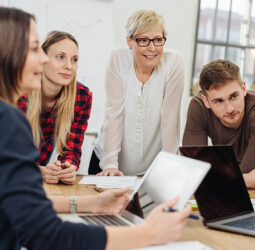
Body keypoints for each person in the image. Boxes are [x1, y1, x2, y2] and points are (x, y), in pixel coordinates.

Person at [0, 7, 191, 249]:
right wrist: (149, 234)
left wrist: (89, 204)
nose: (44, 59)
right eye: (34, 48)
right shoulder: (8, 120)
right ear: (7, 53)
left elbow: (22, 204)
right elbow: (42, 232)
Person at [89, 9, 184, 176]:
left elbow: (170, 119)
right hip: (107, 162)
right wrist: (111, 164)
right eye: (143, 40)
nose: (152, 48)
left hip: (150, 168)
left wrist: (169, 166)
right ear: (129, 41)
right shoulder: (117, 59)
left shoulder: (173, 62)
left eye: (158, 40)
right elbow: (114, 113)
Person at [183, 59, 255, 188]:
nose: (230, 109)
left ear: (244, 89)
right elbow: (192, 167)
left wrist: (239, 178)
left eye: (234, 96)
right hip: (228, 163)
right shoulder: (198, 106)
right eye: (218, 101)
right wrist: (246, 180)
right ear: (206, 101)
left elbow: (248, 170)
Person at [18, 30, 91, 185]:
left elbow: (72, 148)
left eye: (74, 59)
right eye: (60, 57)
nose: (69, 66)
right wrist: (38, 171)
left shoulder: (82, 97)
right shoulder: (18, 92)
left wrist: (67, 168)